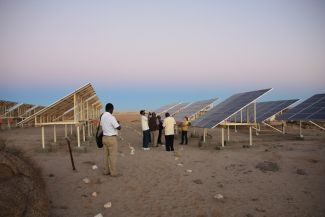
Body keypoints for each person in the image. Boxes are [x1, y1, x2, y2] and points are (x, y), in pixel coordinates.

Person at [100, 103, 121, 177]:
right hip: (111, 138)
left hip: (104, 138)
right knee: (112, 156)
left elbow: (103, 126)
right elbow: (118, 127)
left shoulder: (102, 116)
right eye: (113, 109)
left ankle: (106, 171)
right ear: (111, 109)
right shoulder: (111, 117)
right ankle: (113, 172)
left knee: (105, 156)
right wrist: (118, 123)